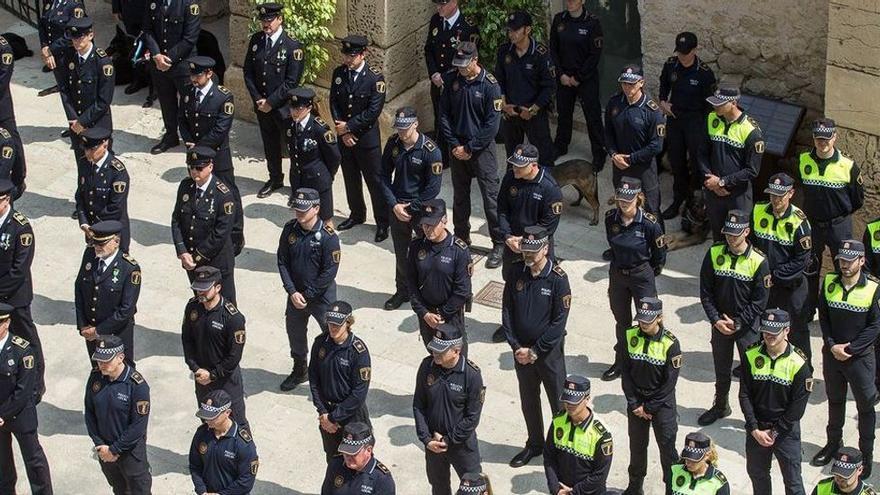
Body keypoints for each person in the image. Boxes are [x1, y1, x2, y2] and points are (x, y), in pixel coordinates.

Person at [502, 226, 571, 468]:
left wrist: (535, 351)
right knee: (529, 401)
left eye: (533, 251)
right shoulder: (516, 272)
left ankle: (561, 450)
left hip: (548, 355)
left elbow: (558, 323)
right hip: (521, 354)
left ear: (546, 249)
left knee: (559, 405)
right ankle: (535, 444)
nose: (528, 256)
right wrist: (516, 346)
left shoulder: (558, 280)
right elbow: (507, 311)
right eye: (525, 251)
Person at [811, 240, 879, 477]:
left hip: (859, 360)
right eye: (842, 260)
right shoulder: (829, 281)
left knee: (866, 408)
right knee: (835, 400)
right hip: (832, 356)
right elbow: (824, 316)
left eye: (850, 261)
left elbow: (875, 326)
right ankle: (833, 444)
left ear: (861, 261)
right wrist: (831, 345)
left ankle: (866, 456)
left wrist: (850, 349)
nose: (845, 265)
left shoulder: (873, 287)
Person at [698, 209, 770, 426]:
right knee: (721, 370)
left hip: (746, 328)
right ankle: (720, 406)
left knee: (751, 375)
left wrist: (739, 322)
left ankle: (754, 416)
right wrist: (715, 320)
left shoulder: (759, 261)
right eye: (728, 233)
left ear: (746, 232)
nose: (730, 238)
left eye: (735, 234)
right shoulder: (714, 253)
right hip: (720, 325)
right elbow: (706, 291)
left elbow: (760, 301)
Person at [438, 41, 504, 268]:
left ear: (475, 60)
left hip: (481, 150)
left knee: (491, 199)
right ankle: (462, 237)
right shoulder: (452, 80)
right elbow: (444, 115)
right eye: (458, 65)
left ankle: (499, 242)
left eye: (465, 65)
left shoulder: (490, 85)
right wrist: (455, 145)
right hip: (457, 148)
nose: (461, 69)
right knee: (460, 198)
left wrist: (470, 148)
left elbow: (491, 125)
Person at [739, 308, 811, 495]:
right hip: (757, 429)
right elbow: (744, 393)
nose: (769, 335)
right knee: (758, 475)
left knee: (793, 482)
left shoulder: (799, 363)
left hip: (785, 431)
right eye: (765, 331)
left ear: (786, 330)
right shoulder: (751, 355)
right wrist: (754, 428)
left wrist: (775, 431)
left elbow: (797, 407)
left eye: (774, 331)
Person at [602, 177, 666, 381]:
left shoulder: (649, 224)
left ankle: (648, 361)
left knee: (648, 320)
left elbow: (659, 254)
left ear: (638, 198)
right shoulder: (610, 218)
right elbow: (611, 245)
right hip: (618, 275)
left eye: (628, 200)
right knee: (622, 321)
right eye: (621, 199)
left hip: (641, 276)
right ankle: (622, 360)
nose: (623, 203)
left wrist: (650, 271)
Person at [178, 56, 244, 254]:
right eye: (192, 75)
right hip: (195, 156)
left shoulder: (223, 97)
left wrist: (198, 147)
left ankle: (235, 235)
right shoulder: (188, 92)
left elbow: (221, 129)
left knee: (228, 194)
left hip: (217, 155)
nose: (194, 79)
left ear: (209, 74)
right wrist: (189, 142)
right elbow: (182, 119)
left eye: (198, 75)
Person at [800, 118, 864, 322]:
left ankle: (837, 312)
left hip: (838, 225)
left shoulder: (848, 166)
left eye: (827, 138)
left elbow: (858, 199)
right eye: (819, 139)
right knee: (809, 267)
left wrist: (838, 214)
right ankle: (808, 310)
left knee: (843, 269)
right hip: (813, 224)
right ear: (813, 139)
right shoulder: (804, 161)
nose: (823, 142)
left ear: (834, 137)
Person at [277, 188, 341, 391]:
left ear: (316, 209)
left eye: (303, 210)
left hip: (321, 298)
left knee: (333, 335)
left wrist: (307, 294)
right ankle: (299, 369)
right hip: (296, 295)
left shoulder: (328, 237)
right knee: (294, 333)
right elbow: (282, 261)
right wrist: (292, 291)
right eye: (297, 209)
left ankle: (333, 374)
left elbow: (329, 272)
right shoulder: (290, 230)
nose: (299, 213)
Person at [380, 107, 443, 311]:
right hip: (398, 206)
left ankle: (430, 292)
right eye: (398, 128)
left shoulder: (430, 151)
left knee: (427, 252)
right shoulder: (393, 144)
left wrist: (412, 207)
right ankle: (402, 290)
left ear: (416, 124)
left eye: (405, 128)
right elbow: (383, 175)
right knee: (401, 253)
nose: (401, 132)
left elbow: (432, 188)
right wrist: (394, 204)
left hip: (421, 209)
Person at [495, 144, 563, 330]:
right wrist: (508, 236)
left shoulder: (549, 188)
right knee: (512, 283)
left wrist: (525, 243)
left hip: (537, 247)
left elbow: (549, 225)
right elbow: (502, 208)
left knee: (541, 287)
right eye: (514, 164)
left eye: (519, 165)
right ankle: (510, 323)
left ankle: (545, 324)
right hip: (512, 244)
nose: (515, 168)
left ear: (533, 166)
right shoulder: (511, 177)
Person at [413, 323, 485, 495]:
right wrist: (426, 439)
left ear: (456, 351)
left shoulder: (472, 375)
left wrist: (448, 439)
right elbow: (419, 405)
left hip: (462, 447)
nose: (435, 353)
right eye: (434, 349)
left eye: (441, 350)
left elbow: (472, 418)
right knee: (438, 486)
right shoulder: (427, 367)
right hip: (434, 445)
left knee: (474, 488)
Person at [329, 35, 388, 241]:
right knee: (351, 178)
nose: (348, 59)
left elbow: (373, 111)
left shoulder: (374, 78)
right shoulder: (339, 74)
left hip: (366, 140)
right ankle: (357, 213)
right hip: (345, 139)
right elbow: (334, 102)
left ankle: (382, 221)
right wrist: (342, 131)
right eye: (346, 55)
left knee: (375, 182)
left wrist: (350, 127)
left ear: (363, 54)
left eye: (352, 56)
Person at [749, 173, 813, 364]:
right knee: (764, 323)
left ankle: (803, 366)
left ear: (791, 193)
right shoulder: (758, 210)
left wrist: (774, 275)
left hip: (791, 284)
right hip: (765, 282)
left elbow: (802, 260)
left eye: (781, 195)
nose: (776, 200)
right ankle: (762, 360)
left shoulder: (799, 222)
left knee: (797, 328)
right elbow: (751, 244)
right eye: (772, 195)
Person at [243, 2, 305, 199]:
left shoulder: (292, 46)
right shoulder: (256, 40)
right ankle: (275, 178)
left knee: (294, 148)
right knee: (270, 144)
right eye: (263, 20)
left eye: (270, 20)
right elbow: (248, 72)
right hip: (262, 106)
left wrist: (271, 102)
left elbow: (291, 82)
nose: (266, 24)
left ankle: (299, 187)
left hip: (284, 108)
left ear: (280, 19)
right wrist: (258, 99)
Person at [621, 297, 681, 494]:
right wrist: (635, 403)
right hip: (636, 402)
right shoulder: (630, 336)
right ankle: (635, 486)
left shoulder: (670, 343)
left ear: (659, 318)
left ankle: (671, 489)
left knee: (667, 451)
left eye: (648, 320)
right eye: (641, 320)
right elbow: (626, 373)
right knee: (637, 448)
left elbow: (669, 383)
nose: (644, 324)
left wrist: (649, 407)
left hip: (661, 404)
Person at [657, 31, 716, 220]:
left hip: (695, 121)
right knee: (677, 161)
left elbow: (710, 105)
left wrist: (706, 130)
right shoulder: (671, 65)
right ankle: (678, 198)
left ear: (695, 50)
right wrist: (662, 101)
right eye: (680, 52)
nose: (682, 56)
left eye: (686, 52)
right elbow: (664, 83)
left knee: (698, 164)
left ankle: (695, 200)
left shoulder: (705, 73)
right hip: (675, 118)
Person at [84, 335, 151, 494]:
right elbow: (90, 414)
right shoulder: (96, 378)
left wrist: (114, 450)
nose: (101, 365)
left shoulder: (137, 385)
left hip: (130, 454)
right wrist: (100, 445)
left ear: (120, 357)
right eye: (99, 361)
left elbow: (138, 426)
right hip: (105, 452)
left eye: (106, 360)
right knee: (119, 489)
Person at [182, 266, 248, 426]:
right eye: (198, 289)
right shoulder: (193, 307)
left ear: (218, 287)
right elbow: (187, 340)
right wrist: (195, 368)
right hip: (201, 378)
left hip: (225, 381)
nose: (200, 293)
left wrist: (212, 375)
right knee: (208, 421)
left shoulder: (232, 318)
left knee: (236, 423)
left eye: (205, 289)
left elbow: (234, 356)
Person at [170, 146, 237, 302]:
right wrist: (182, 251)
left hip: (215, 262)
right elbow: (176, 220)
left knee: (224, 306)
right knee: (201, 302)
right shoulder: (186, 187)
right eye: (191, 167)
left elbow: (220, 234)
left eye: (199, 168)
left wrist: (196, 257)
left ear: (210, 167)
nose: (194, 172)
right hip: (191, 262)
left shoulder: (223, 196)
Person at [698, 87, 765, 242]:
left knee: (740, 238)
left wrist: (723, 182)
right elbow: (702, 152)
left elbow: (752, 170)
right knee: (718, 236)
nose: (715, 107)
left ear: (733, 103)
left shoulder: (751, 131)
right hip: (713, 191)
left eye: (720, 104)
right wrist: (711, 182)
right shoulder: (711, 118)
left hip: (738, 195)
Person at [0, 303, 53, 495]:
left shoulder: (22, 350)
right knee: (2, 465)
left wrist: (2, 414)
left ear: (7, 323)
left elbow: (23, 392)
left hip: (20, 416)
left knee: (34, 462)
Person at [309, 301, 371, 460]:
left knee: (358, 459)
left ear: (348, 323)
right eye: (330, 324)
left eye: (337, 324)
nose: (333, 328)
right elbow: (314, 378)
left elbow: (359, 394)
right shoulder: (321, 343)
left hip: (352, 417)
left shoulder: (358, 352)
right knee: (334, 459)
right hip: (327, 414)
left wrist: (333, 418)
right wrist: (323, 411)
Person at [75, 220, 141, 366]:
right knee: (98, 369)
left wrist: (98, 331)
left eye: (102, 243)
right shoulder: (90, 255)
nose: (97, 247)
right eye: (95, 243)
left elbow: (126, 309)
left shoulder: (129, 268)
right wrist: (82, 325)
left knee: (121, 372)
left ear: (116, 241)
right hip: (91, 333)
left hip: (116, 334)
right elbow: (79, 289)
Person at [406, 199, 471, 345]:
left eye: (432, 224)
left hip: (450, 315)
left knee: (455, 355)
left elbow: (462, 290)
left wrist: (441, 314)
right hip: (426, 314)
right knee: (432, 352)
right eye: (424, 225)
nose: (428, 229)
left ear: (444, 220)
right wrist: (424, 313)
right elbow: (411, 281)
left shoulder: (459, 250)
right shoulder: (417, 246)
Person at [604, 64, 665, 218]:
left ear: (641, 83)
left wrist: (631, 159)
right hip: (620, 167)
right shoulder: (614, 103)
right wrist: (613, 154)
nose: (627, 87)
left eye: (631, 84)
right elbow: (608, 133)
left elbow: (656, 146)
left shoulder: (652, 111)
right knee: (624, 206)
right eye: (624, 83)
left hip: (643, 169)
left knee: (651, 210)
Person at [495, 11, 555, 168]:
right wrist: (503, 104)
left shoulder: (540, 53)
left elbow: (549, 86)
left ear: (527, 30)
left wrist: (533, 110)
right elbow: (498, 80)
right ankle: (515, 187)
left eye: (515, 30)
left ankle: (546, 189)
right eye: (509, 30)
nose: (511, 34)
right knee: (513, 155)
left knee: (544, 155)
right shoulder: (503, 51)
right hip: (511, 112)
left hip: (534, 113)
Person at [423, 0, 478, 169]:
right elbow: (429, 50)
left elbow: (470, 58)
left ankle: (465, 157)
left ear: (454, 2)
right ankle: (444, 157)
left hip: (456, 83)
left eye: (442, 4)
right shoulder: (436, 20)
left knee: (460, 120)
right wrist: (433, 73)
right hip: (438, 83)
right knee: (441, 118)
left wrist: (447, 77)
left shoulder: (469, 26)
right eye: (437, 4)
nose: (439, 8)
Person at [549, 0, 605, 162]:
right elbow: (553, 49)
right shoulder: (559, 19)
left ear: (582, 1)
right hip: (564, 78)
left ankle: (599, 152)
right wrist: (561, 75)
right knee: (564, 114)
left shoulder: (592, 22)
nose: (570, 2)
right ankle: (561, 146)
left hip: (585, 79)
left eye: (574, 0)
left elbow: (595, 55)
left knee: (592, 116)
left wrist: (578, 77)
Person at [141, 0, 200, 154]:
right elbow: (147, 30)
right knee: (166, 101)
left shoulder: (189, 4)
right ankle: (170, 135)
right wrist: (156, 54)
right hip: (159, 63)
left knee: (189, 102)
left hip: (182, 63)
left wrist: (168, 58)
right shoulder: (153, 2)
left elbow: (190, 38)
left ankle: (193, 138)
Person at [0, 180, 42, 396]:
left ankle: (36, 383)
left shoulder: (20, 227)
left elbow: (19, 269)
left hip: (15, 296)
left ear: (6, 200)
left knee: (25, 338)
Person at [56, 17, 114, 163]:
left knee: (99, 165)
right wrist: (73, 118)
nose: (77, 42)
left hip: (97, 124)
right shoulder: (69, 59)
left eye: (80, 37)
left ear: (90, 35)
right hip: (76, 125)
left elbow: (103, 101)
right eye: (73, 38)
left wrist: (82, 121)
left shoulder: (102, 62)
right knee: (82, 166)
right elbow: (64, 90)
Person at [543, 374, 613, 495]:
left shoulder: (601, 434)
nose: (569, 405)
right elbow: (549, 457)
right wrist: (556, 489)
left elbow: (600, 475)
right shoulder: (558, 422)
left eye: (574, 402)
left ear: (587, 399)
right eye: (567, 401)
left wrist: (573, 493)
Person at [286, 87, 341, 225]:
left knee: (325, 220)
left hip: (318, 181)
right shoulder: (291, 126)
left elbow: (334, 157)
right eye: (292, 108)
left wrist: (328, 176)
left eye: (298, 109)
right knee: (303, 218)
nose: (294, 112)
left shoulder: (319, 129)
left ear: (309, 108)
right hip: (299, 180)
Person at [188, 390, 258, 495]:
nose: (207, 420)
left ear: (227, 413)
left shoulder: (242, 443)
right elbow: (195, 465)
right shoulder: (202, 433)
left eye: (213, 416)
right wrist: (202, 491)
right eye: (206, 416)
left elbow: (246, 481)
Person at [75, 127, 131, 252]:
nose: (88, 153)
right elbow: (80, 195)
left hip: (111, 233)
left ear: (105, 145)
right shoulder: (84, 163)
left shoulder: (117, 172)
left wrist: (95, 227)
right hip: (91, 232)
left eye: (93, 149)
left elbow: (115, 207)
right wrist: (84, 222)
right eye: (86, 149)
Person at [321, 422, 395, 494]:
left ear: (368, 450)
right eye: (345, 452)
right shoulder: (336, 465)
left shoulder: (382, 480)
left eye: (353, 453)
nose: (348, 457)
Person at [0, 37, 25, 200]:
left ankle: (18, 178)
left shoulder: (3, 48)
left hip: (1, 105)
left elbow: (3, 78)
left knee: (11, 138)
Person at [812, 447, 876, 494]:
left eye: (845, 474)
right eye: (837, 473)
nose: (839, 478)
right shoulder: (822, 487)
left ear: (859, 470)